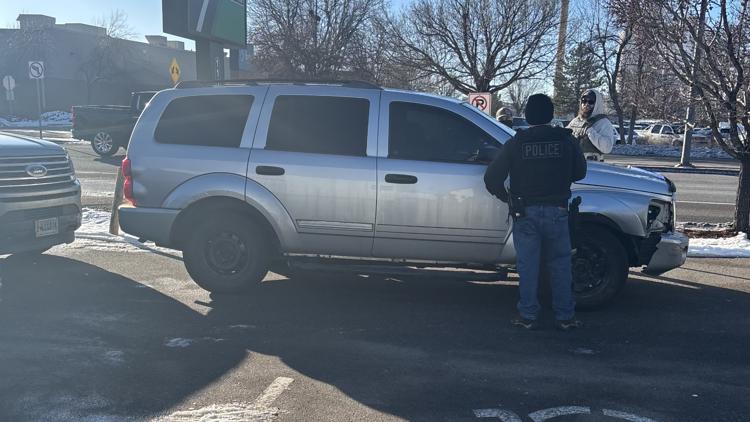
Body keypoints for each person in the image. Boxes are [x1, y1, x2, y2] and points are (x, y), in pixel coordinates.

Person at [484, 94, 587, 331]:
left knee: (528, 266)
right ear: (551, 114)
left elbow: (491, 178)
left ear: (528, 116)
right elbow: (580, 173)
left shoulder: (516, 143)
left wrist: (507, 198)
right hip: (558, 212)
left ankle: (527, 315)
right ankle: (565, 317)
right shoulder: (566, 140)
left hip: (525, 212)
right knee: (561, 266)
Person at [567, 89, 615, 161]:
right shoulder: (575, 121)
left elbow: (607, 148)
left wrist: (590, 131)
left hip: (593, 167)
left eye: (591, 102)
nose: (586, 104)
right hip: (573, 165)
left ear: (597, 103)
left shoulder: (603, 123)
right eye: (584, 101)